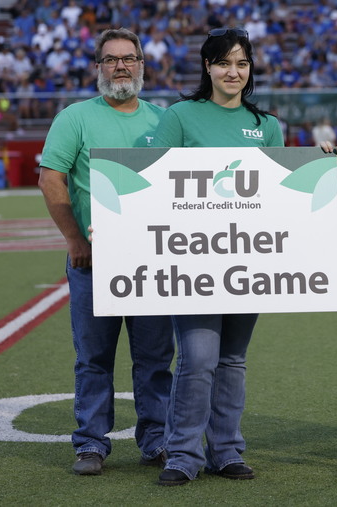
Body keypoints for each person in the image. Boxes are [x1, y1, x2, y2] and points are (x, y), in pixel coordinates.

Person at [37, 28, 175, 476]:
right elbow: (51, 178)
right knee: (93, 359)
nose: (121, 66)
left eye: (129, 58)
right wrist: (75, 239)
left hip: (151, 261)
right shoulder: (75, 117)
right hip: (94, 261)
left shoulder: (164, 120)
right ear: (98, 67)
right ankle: (91, 443)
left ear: (142, 65)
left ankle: (157, 441)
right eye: (111, 59)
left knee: (155, 360)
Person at [154, 27, 284, 487]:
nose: (234, 71)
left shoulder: (267, 125)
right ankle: (183, 454)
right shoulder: (180, 116)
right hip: (192, 262)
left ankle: (226, 450)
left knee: (232, 360)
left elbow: (281, 196)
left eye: (242, 63)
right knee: (198, 358)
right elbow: (148, 184)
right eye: (224, 62)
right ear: (207, 66)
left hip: (247, 260)